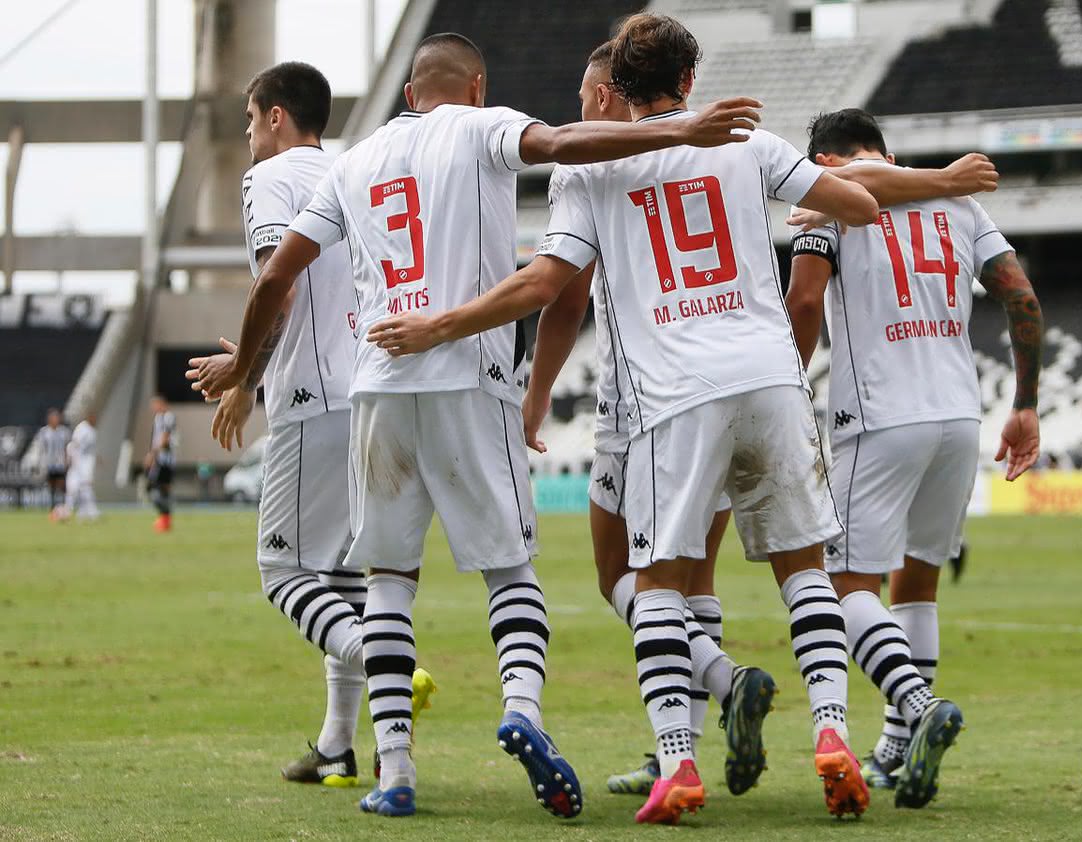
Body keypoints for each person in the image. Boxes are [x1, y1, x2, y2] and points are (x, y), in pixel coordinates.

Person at [361, 15, 999, 825]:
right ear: (689, 82)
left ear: (611, 91)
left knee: (658, 581)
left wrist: (438, 327)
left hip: (674, 391)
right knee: (805, 570)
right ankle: (834, 735)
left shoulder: (593, 175)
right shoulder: (748, 143)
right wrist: (898, 188)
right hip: (772, 377)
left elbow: (543, 287)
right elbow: (858, 205)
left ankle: (676, 760)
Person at [191, 31, 761, 821]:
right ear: (477, 85)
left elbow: (277, 276)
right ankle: (521, 710)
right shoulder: (482, 126)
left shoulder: (355, 162)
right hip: (469, 372)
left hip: (379, 382)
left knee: (386, 581)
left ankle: (394, 771)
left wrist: (243, 368)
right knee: (509, 569)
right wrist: (675, 129)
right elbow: (562, 142)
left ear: (408, 93)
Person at [186, 60, 436, 791]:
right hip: (373, 383)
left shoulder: (271, 179)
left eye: (249, 119)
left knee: (283, 571)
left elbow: (281, 287)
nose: (248, 136)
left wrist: (244, 375)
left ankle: (382, 659)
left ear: (273, 116)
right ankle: (344, 745)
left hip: (315, 392)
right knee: (339, 575)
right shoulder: (352, 170)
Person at [522, 41, 760, 799]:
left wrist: (532, 395)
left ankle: (718, 688)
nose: (585, 106)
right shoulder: (716, 153)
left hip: (641, 401)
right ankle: (678, 746)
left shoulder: (590, 167)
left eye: (588, 94)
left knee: (623, 577)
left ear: (604, 96)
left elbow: (562, 296)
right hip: (736, 380)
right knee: (696, 579)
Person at [787, 108, 1042, 808]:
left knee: (846, 587)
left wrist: (786, 387)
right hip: (959, 414)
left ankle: (919, 704)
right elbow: (1019, 294)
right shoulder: (954, 202)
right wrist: (1025, 404)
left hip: (879, 413)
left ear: (827, 161)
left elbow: (806, 300)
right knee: (918, 585)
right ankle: (898, 749)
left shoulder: (827, 204)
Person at [144, 395, 176, 532]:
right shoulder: (158, 418)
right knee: (156, 489)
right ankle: (164, 519)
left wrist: (153, 454)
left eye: (155, 405)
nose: (153, 408)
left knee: (160, 490)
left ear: (162, 404)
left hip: (165, 460)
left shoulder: (168, 417)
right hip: (159, 459)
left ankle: (165, 520)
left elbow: (165, 438)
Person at [61, 411, 100, 521]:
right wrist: (69, 460)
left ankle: (85, 511)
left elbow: (91, 450)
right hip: (78, 464)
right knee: (74, 488)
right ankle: (70, 510)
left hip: (84, 464)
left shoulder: (92, 430)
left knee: (84, 487)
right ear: (89, 418)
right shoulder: (82, 428)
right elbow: (75, 444)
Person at [34, 408, 70, 517]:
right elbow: (41, 448)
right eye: (53, 418)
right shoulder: (44, 432)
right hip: (49, 463)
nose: (55, 419)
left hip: (60, 463)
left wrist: (66, 460)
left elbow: (67, 447)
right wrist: (40, 462)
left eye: (57, 417)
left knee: (62, 486)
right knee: (52, 487)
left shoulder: (64, 431)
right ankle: (53, 508)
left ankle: (63, 508)